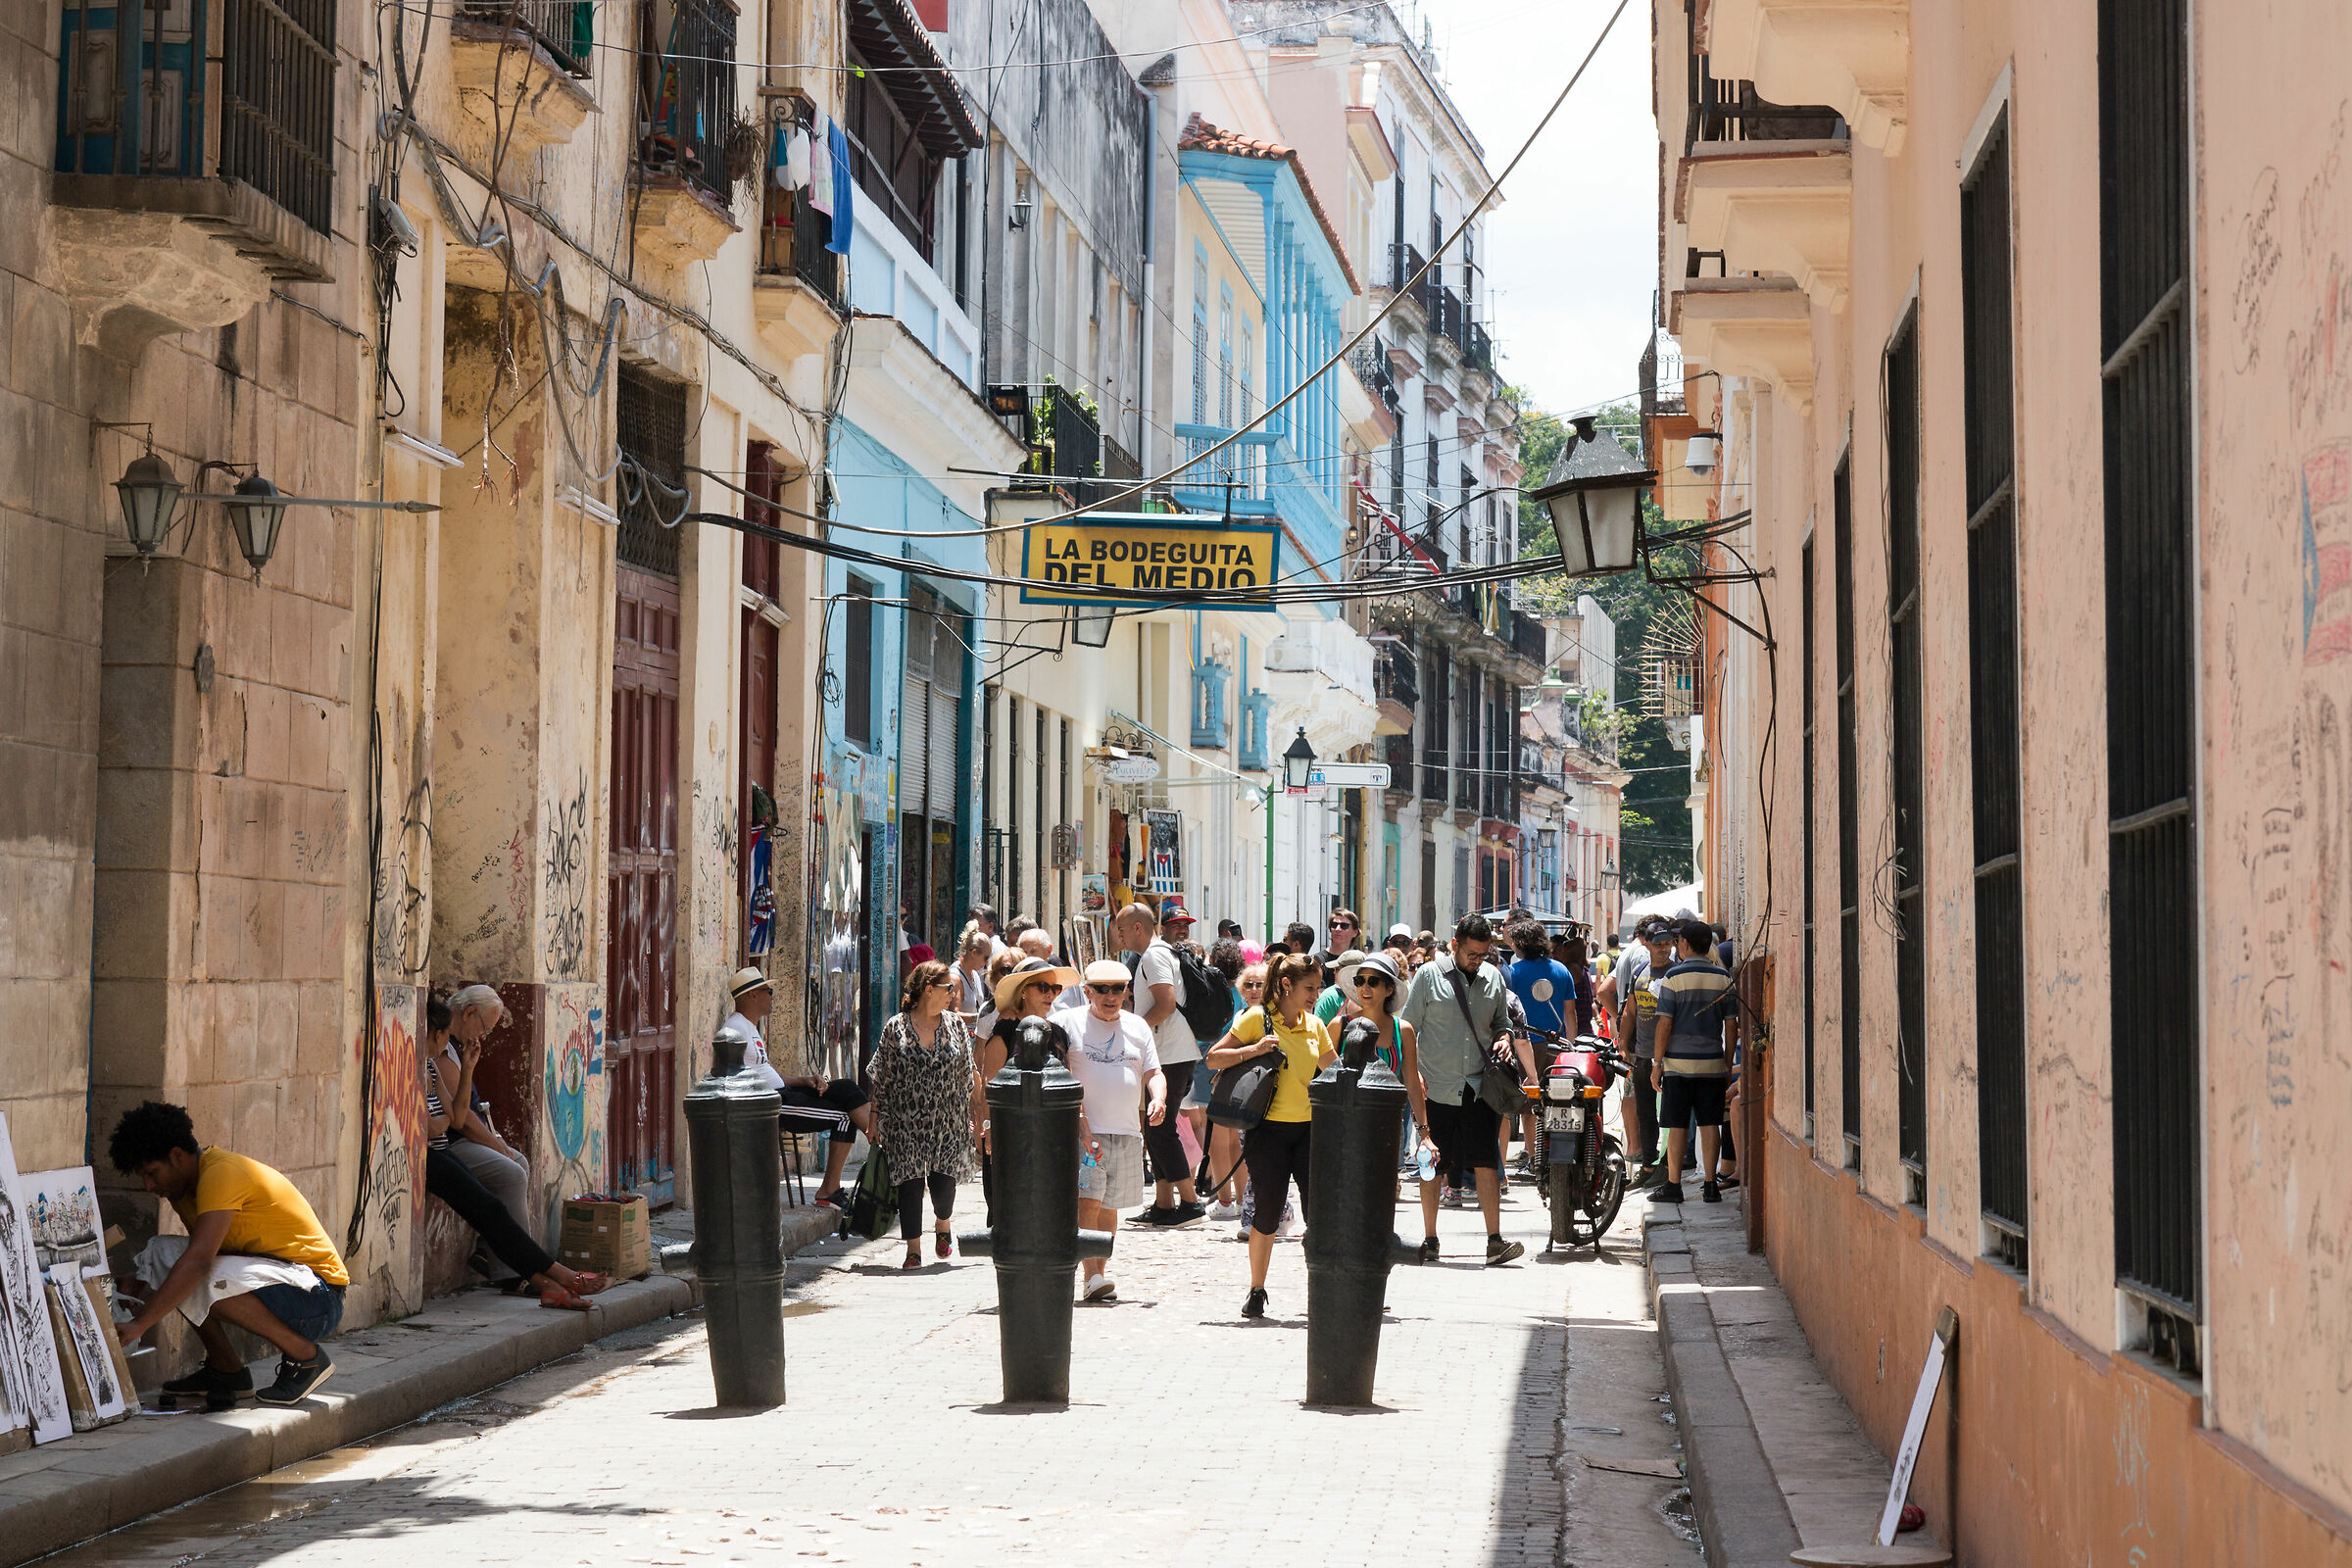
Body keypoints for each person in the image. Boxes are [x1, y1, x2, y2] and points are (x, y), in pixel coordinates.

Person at [108, 1101, 355, 1408]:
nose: (148, 1185)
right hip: (279, 1281)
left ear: (177, 1156)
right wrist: (139, 1279)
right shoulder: (181, 1189)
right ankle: (227, 1371)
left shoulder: (221, 1172)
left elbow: (199, 1263)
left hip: (319, 1298)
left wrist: (139, 1325)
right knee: (161, 1255)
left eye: (152, 1173)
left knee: (196, 1270)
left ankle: (306, 1357)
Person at [416, 998, 614, 1307]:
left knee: (490, 1210)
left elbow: (453, 1117)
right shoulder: (419, 1066)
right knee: (491, 1209)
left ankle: (547, 1284)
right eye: (443, 1038)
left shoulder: (430, 1065)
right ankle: (560, 1276)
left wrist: (468, 1068)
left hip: (442, 1152)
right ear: (435, 1034)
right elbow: (432, 1127)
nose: (447, 1045)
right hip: (429, 1157)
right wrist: (440, 1122)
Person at [1203, 952, 1335, 1317]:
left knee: (1318, 1215)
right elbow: (1214, 1058)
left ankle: (1322, 1287)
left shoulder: (1315, 1026)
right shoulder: (1255, 1018)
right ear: (1287, 985)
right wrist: (1254, 1050)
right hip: (1267, 1132)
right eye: (1309, 987)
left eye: (1318, 986)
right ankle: (1257, 1289)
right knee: (1267, 1213)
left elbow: (1334, 1071)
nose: (1315, 994)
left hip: (1310, 1131)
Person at [1399, 914, 1530, 1266]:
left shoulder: (1493, 979)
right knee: (1432, 1164)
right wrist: (1413, 1073)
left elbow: (1503, 1023)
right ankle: (1429, 1239)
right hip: (1437, 1085)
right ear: (1455, 945)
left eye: (1483, 954)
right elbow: (1408, 1025)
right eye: (1472, 953)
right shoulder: (1428, 976)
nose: (1478, 960)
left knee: (1487, 1161)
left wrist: (1504, 1038)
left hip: (1477, 1086)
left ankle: (1494, 1241)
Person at [1052, 960, 1167, 1301]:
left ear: (1127, 991)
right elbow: (1060, 1074)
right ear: (1087, 990)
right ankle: (1093, 1275)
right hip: (1086, 1131)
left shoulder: (1138, 1027)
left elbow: (1154, 1071)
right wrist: (1080, 1122)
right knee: (1088, 1202)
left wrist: (1158, 1097)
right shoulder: (1066, 1022)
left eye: (1118, 989)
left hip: (1127, 1131)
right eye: (1102, 989)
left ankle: (1098, 1274)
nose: (1111, 996)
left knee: (1110, 1207)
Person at [723, 967, 876, 1205]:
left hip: (784, 1092)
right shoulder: (734, 1030)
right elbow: (734, 1079)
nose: (772, 996)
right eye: (768, 991)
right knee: (843, 1118)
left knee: (846, 1087)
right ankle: (830, 1189)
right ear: (753, 995)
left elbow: (766, 1072)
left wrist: (805, 1080)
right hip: (773, 1103)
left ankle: (882, 1143)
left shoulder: (750, 1028)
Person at [866, 960, 985, 1268]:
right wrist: (874, 1117)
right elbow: (883, 1076)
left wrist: (976, 1115)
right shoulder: (896, 1027)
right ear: (928, 989)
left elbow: (967, 1072)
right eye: (948, 988)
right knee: (910, 1184)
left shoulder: (955, 1024)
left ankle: (942, 1222)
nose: (952, 994)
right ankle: (913, 1250)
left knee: (944, 1186)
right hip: (904, 1121)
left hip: (948, 1120)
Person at [432, 985, 535, 1286]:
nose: (483, 1037)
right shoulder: (443, 1047)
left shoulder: (460, 1048)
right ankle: (515, 1271)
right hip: (450, 1144)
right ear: (469, 1013)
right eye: (484, 1028)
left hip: (463, 1136)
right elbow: (460, 1120)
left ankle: (490, 1251)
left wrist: (497, 1142)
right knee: (512, 1173)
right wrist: (495, 1145)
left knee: (521, 1164)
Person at [1115, 902, 1206, 1227]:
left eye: (1122, 929)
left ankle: (1191, 1202)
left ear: (1138, 927)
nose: (1119, 935)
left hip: (1169, 1054)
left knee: (1162, 1129)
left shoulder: (1153, 956)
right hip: (1168, 1053)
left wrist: (1135, 1029)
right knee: (1156, 1131)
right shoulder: (1156, 955)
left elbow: (1166, 1004)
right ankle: (1165, 1203)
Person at [975, 956, 1081, 1224]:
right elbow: (990, 1085)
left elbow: (1068, 1084)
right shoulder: (1005, 1031)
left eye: (1054, 989)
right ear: (1024, 991)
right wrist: (988, 1127)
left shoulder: (1059, 1033)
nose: (1050, 994)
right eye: (1042, 987)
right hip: (1011, 1131)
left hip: (1051, 1134)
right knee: (1006, 1212)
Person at [1649, 919, 1738, 1203]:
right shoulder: (1723, 979)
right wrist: (1725, 1063)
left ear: (1684, 944)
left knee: (1677, 1125)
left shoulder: (1673, 978)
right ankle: (1711, 1185)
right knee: (1711, 1124)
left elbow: (1664, 1024)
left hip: (1678, 1066)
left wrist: (1657, 1063)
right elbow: (1732, 1026)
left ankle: (1673, 1186)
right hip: (1712, 1064)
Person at [1610, 917, 1679, 1183]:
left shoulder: (1676, 972)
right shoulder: (1639, 971)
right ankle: (1649, 1166)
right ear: (1647, 944)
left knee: (1670, 1114)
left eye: (1668, 943)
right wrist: (1624, 1044)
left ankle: (1669, 1168)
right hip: (1642, 1054)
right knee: (1645, 1113)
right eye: (1659, 944)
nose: (1664, 948)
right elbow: (1630, 1010)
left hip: (1671, 1056)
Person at [950, 925, 995, 1015]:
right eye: (985, 958)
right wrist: (979, 1018)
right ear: (974, 953)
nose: (986, 963)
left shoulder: (975, 974)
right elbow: (954, 1014)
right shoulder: (955, 977)